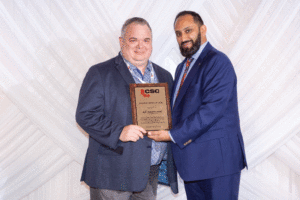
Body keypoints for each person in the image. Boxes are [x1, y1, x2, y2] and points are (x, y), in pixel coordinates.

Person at [148, 11, 247, 199]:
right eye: (178, 34)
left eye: (188, 30)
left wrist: (171, 134)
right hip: (193, 164)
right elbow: (179, 110)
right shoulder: (182, 67)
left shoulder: (218, 61)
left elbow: (211, 110)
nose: (183, 38)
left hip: (218, 163)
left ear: (203, 29)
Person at [76, 17, 178, 200]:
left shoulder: (164, 76)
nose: (140, 46)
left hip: (149, 172)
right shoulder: (100, 73)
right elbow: (85, 115)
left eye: (146, 40)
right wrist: (119, 132)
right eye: (133, 40)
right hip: (112, 173)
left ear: (152, 43)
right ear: (121, 41)